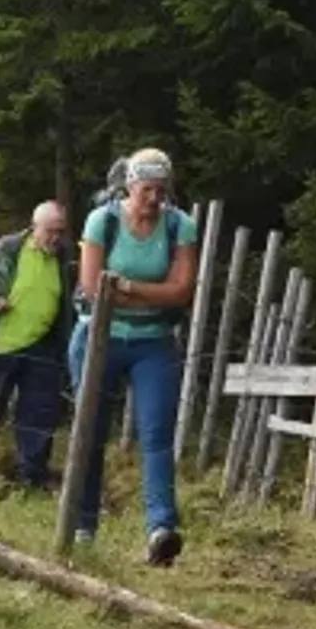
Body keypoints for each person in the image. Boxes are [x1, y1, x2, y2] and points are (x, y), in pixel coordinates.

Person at [72, 148, 201, 564]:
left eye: (161, 191)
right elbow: (93, 287)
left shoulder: (180, 226)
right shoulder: (103, 221)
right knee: (91, 432)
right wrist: (148, 292)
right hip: (100, 338)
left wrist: (127, 289)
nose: (154, 200)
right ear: (129, 185)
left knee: (156, 435)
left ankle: (161, 529)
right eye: (147, 190)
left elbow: (183, 290)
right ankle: (82, 525)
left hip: (154, 341)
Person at [0, 199, 75, 488]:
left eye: (61, 231)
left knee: (38, 412)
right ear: (36, 227)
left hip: (44, 345)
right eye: (51, 231)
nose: (56, 237)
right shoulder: (7, 249)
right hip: (2, 343)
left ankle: (31, 477)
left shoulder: (64, 259)